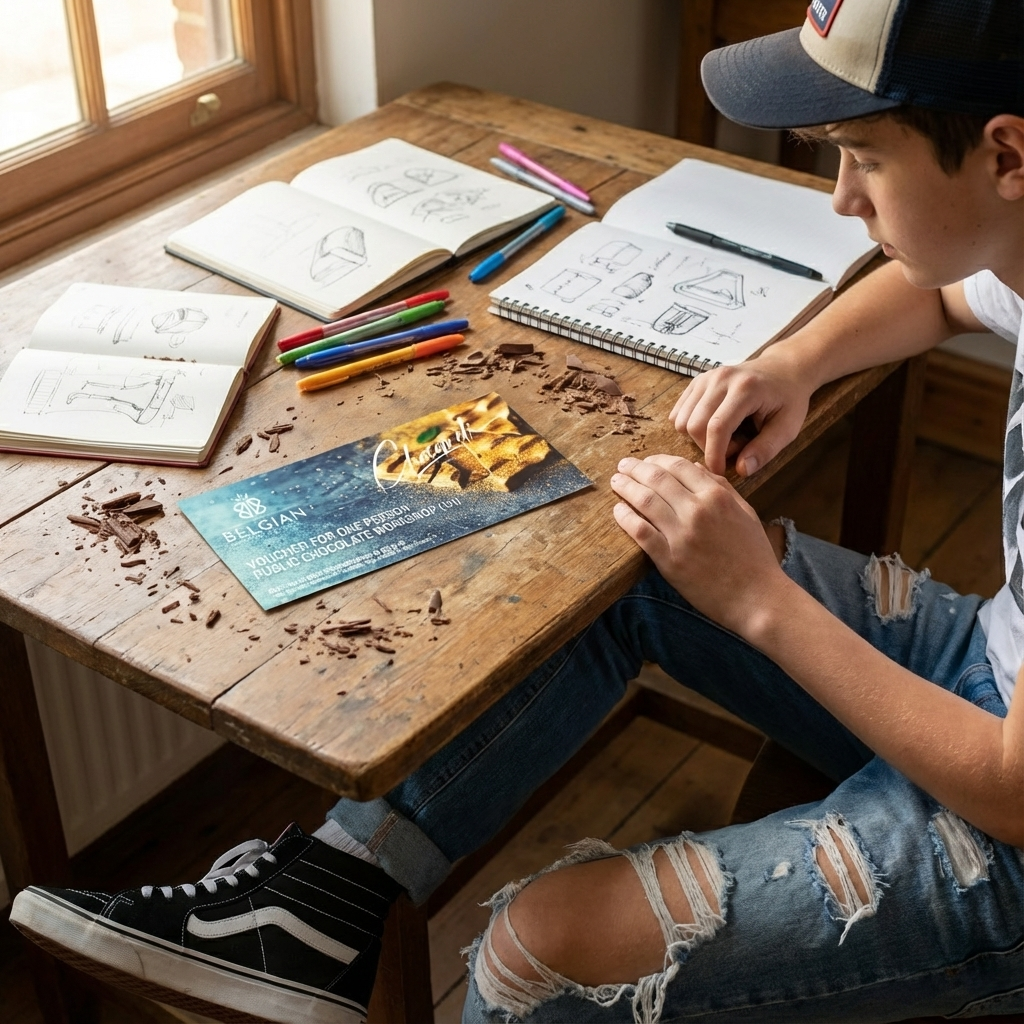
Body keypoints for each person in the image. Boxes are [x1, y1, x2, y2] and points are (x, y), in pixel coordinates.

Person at [11, 1, 1023, 1021]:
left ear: (1005, 154)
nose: (841, 198)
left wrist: (758, 599)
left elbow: (1013, 791)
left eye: (862, 158)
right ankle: (316, 904)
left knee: (539, 953)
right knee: (636, 558)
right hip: (987, 669)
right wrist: (791, 361)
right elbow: (940, 295)